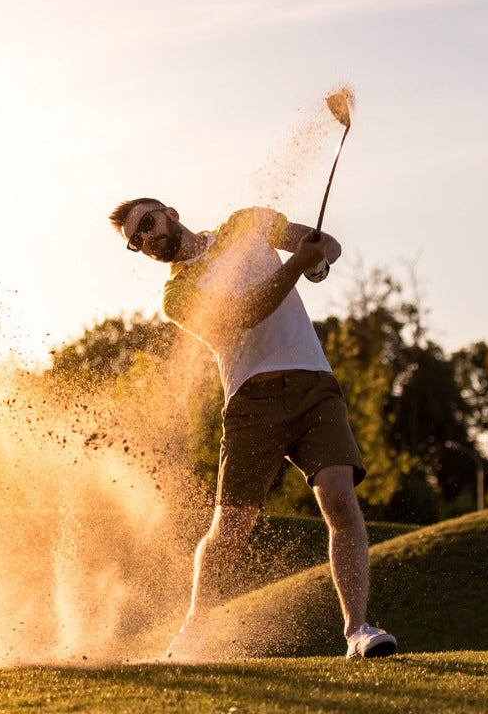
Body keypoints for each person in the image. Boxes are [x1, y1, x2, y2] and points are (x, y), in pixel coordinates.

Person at [108, 197, 396, 661]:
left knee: (339, 496)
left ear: (171, 213)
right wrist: (298, 265)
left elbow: (324, 245)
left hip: (312, 382)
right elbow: (241, 317)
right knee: (232, 528)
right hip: (250, 401)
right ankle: (193, 631)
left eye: (147, 223)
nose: (146, 239)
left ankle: (357, 631)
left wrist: (318, 261)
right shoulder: (176, 296)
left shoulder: (248, 222)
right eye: (135, 241)